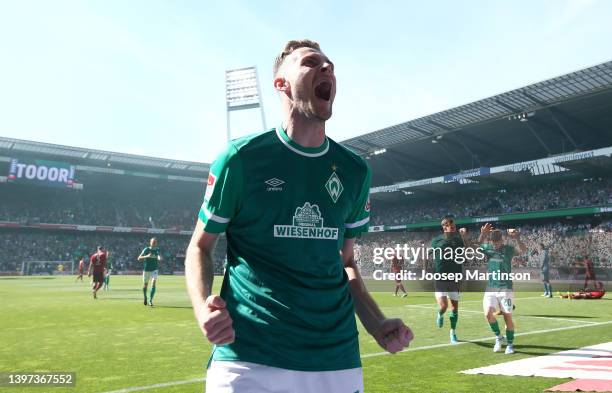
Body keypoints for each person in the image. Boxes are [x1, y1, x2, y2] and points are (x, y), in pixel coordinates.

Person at [185, 39, 413, 393]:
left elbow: (346, 262)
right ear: (282, 84)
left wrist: (376, 322)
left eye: (330, 66)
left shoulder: (354, 171)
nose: (327, 69)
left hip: (335, 361)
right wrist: (203, 308)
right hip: (249, 358)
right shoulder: (240, 159)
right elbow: (200, 246)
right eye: (311, 62)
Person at [479, 224, 526, 355]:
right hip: (491, 288)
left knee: (507, 317)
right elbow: (475, 247)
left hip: (506, 288)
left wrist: (517, 238)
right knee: (488, 314)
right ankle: (499, 337)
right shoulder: (488, 249)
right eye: (493, 242)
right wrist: (482, 234)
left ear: (502, 240)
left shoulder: (509, 249)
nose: (495, 244)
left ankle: (510, 344)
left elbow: (523, 250)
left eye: (497, 241)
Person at [430, 216, 466, 344]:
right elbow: (429, 254)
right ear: (445, 227)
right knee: (444, 306)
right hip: (440, 277)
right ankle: (440, 314)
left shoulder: (458, 240)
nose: (454, 228)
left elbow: (466, 251)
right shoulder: (436, 240)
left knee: (455, 309)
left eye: (454, 226)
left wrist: (463, 237)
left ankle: (453, 332)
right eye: (452, 226)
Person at [138, 237, 161, 306]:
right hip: (146, 270)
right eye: (153, 242)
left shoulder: (157, 249)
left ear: (156, 243)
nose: (154, 243)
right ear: (150, 242)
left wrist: (159, 257)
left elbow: (159, 255)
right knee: (145, 285)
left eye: (155, 242)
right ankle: (145, 297)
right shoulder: (146, 249)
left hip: (154, 269)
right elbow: (139, 258)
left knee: (153, 283)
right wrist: (147, 256)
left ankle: (150, 300)